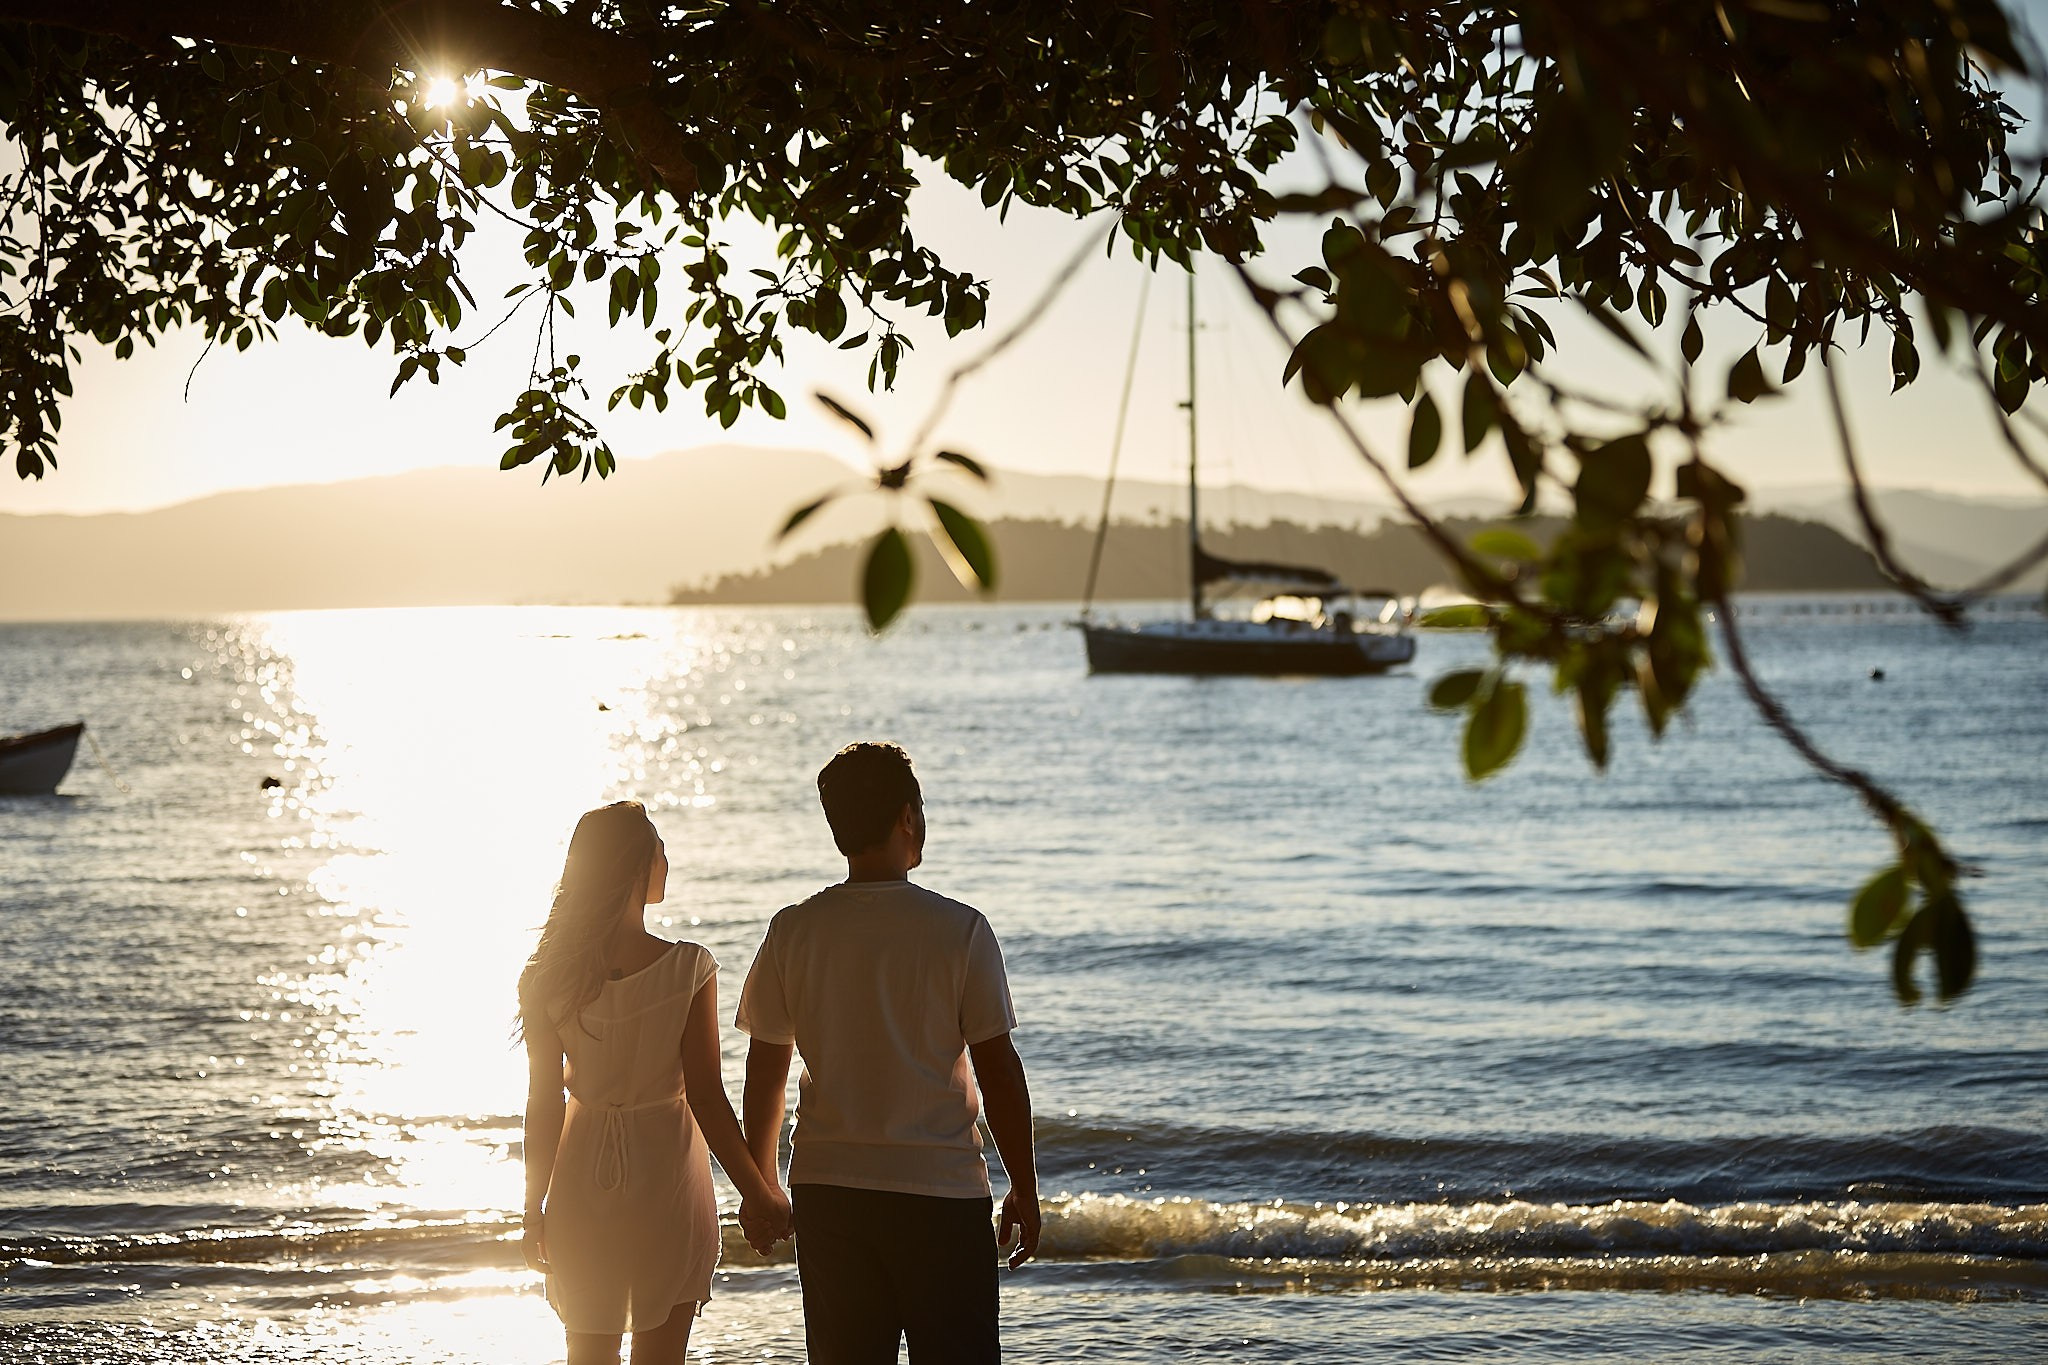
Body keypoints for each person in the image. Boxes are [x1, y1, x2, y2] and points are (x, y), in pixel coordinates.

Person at [736, 742, 1039, 1365]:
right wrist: (1025, 1185)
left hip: (830, 1192)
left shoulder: (794, 929)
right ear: (907, 817)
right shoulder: (961, 930)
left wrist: (761, 1185)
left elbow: (765, 1071)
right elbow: (998, 1071)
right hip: (941, 1194)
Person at [518, 800, 791, 1365]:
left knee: (587, 1355)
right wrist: (759, 1193)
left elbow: (543, 1101)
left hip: (580, 1181)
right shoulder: (688, 967)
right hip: (667, 1179)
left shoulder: (546, 977)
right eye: (660, 850)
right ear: (637, 866)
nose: (668, 860)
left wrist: (533, 1208)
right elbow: (708, 1098)